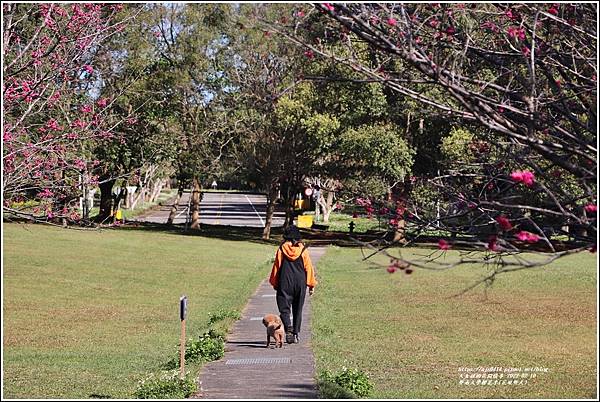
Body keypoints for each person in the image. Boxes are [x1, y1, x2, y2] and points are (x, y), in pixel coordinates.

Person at [269, 225, 317, 344]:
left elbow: (277, 267)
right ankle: (296, 333)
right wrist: (311, 285)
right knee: (298, 309)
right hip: (300, 283)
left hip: (285, 282)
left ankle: (288, 326)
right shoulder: (303, 249)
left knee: (284, 308)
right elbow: (308, 268)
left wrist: (275, 283)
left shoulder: (281, 249)